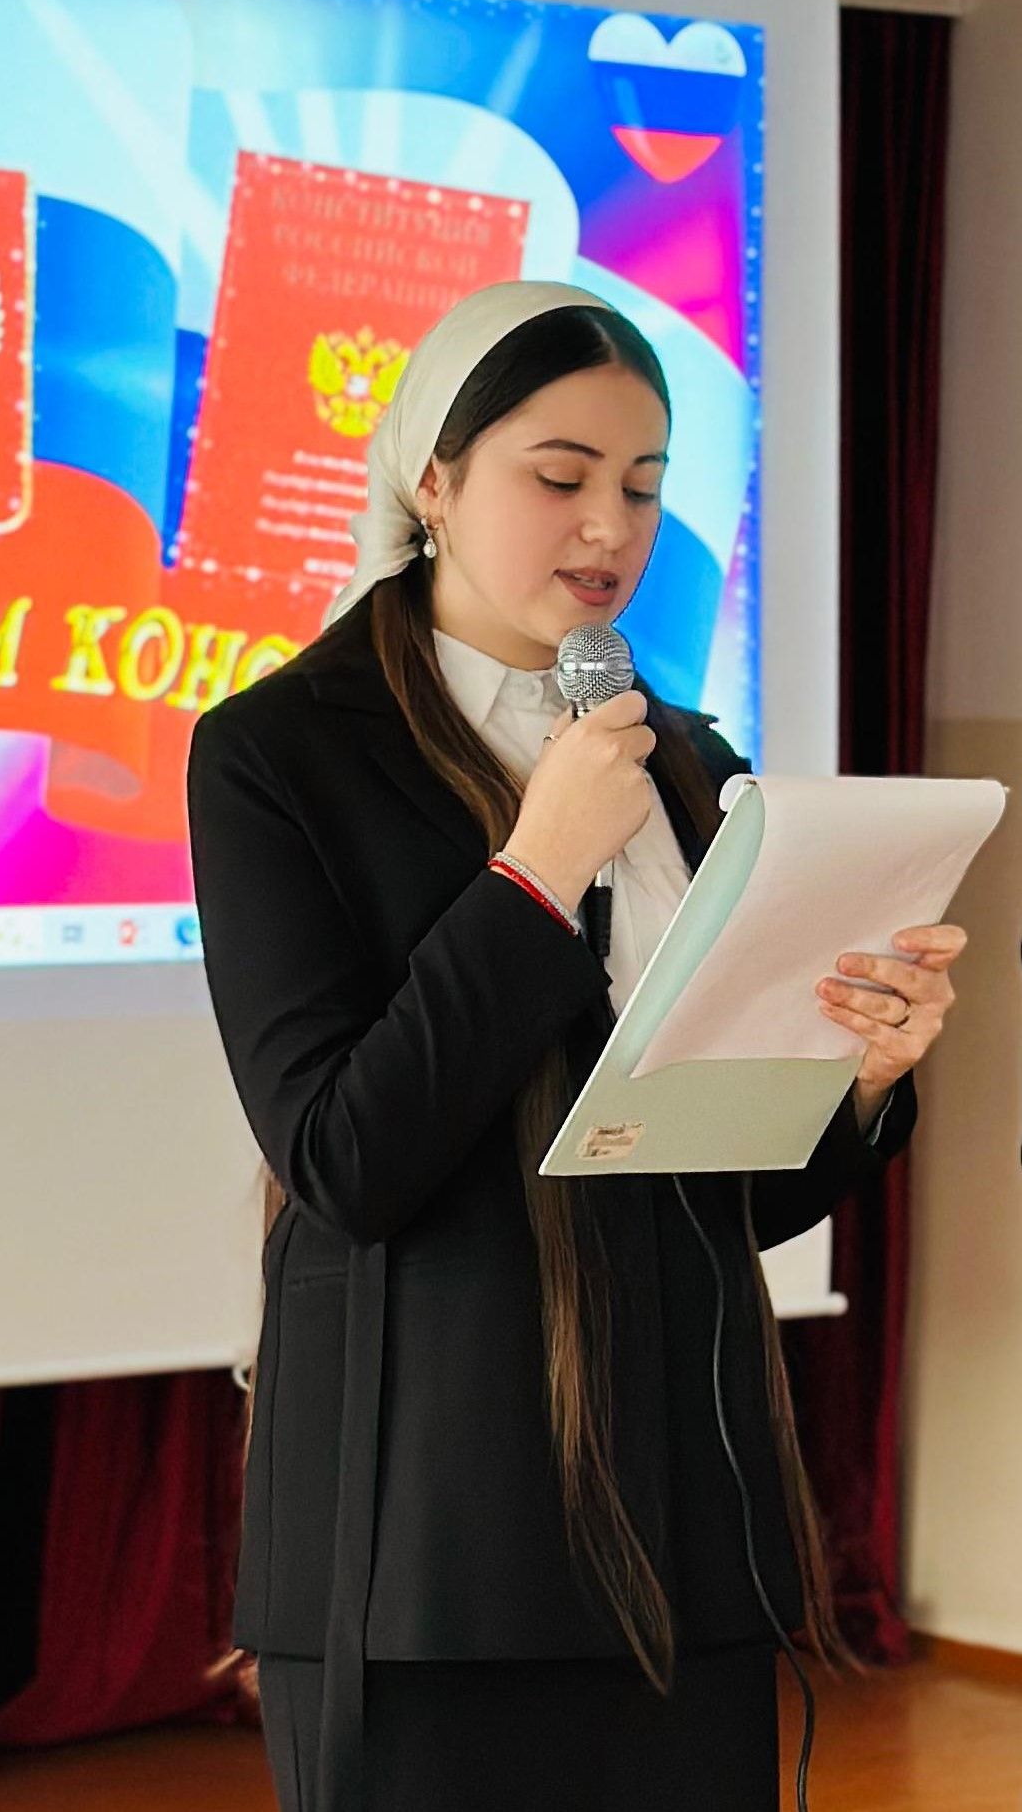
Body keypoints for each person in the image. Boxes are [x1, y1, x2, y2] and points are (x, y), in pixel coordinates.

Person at [184, 280, 965, 1812]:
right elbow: (346, 1155)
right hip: (427, 1539)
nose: (609, 526)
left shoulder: (692, 762)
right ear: (433, 480)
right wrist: (535, 875)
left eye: (645, 485)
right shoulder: (277, 753)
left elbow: (722, 1190)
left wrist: (861, 1079)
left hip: (684, 1520)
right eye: (560, 476)